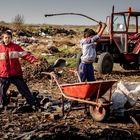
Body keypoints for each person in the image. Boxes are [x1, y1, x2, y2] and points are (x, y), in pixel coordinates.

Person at [0, 30, 38, 110]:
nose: (7, 39)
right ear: (2, 38)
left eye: (9, 38)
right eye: (5, 37)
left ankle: (32, 103)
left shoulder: (16, 47)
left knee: (24, 90)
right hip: (3, 74)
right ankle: (2, 104)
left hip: (16, 74)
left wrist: (34, 61)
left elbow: (26, 55)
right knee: (1, 92)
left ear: (11, 38)